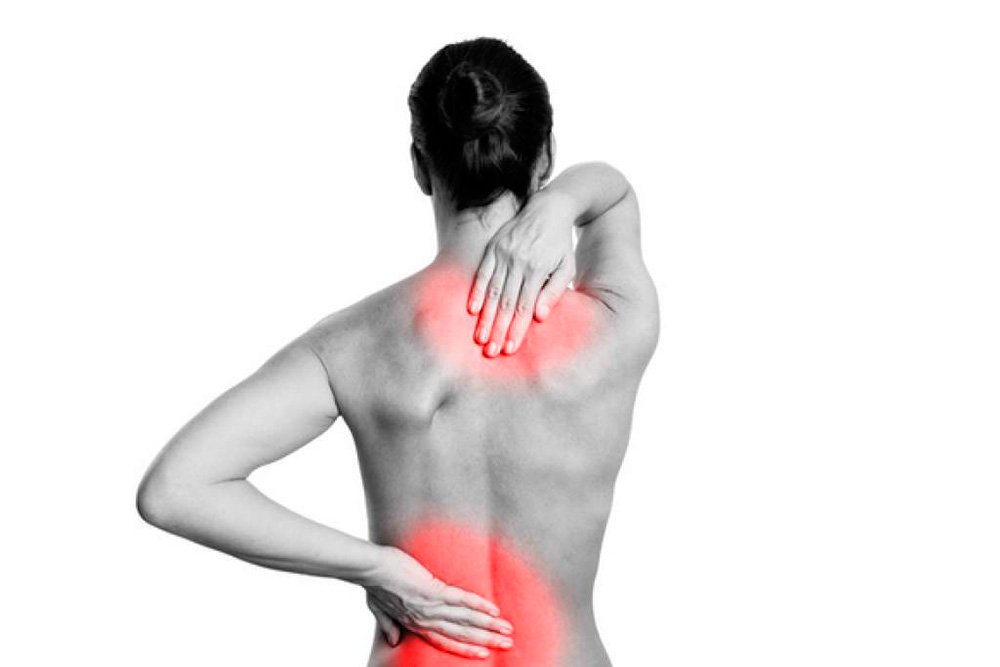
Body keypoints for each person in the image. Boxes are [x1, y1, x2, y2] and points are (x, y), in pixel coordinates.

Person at [137, 37, 658, 667]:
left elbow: (175, 488)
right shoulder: (615, 322)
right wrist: (561, 202)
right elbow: (616, 195)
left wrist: (377, 567)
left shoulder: (352, 344)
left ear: (419, 164)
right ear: (545, 156)